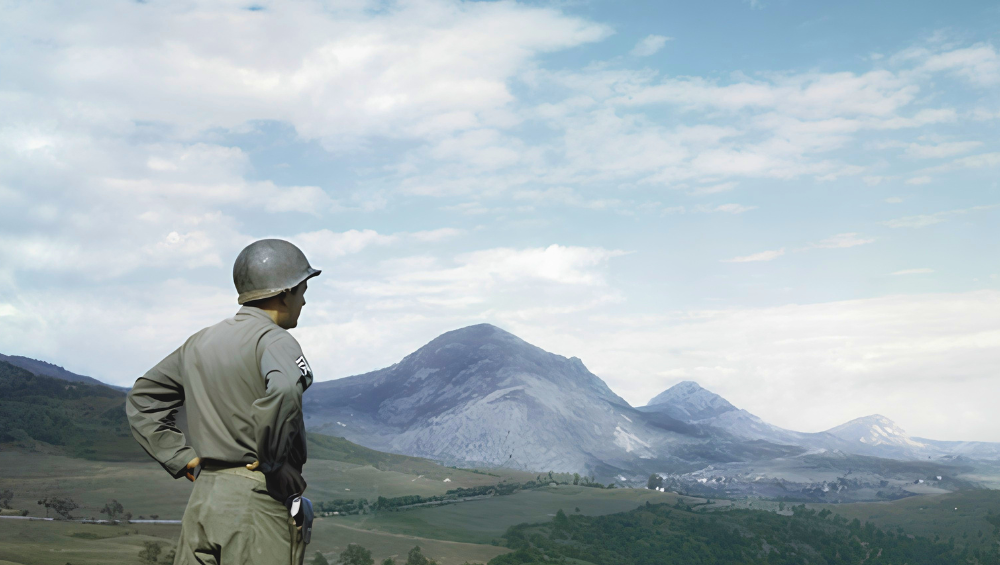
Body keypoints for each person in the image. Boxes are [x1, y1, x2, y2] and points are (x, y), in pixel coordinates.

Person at [126, 239, 321, 565]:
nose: (304, 300)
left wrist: (180, 456)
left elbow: (142, 397)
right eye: (302, 290)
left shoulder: (199, 342)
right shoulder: (274, 341)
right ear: (285, 293)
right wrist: (270, 459)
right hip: (255, 503)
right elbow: (287, 389)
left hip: (203, 501)